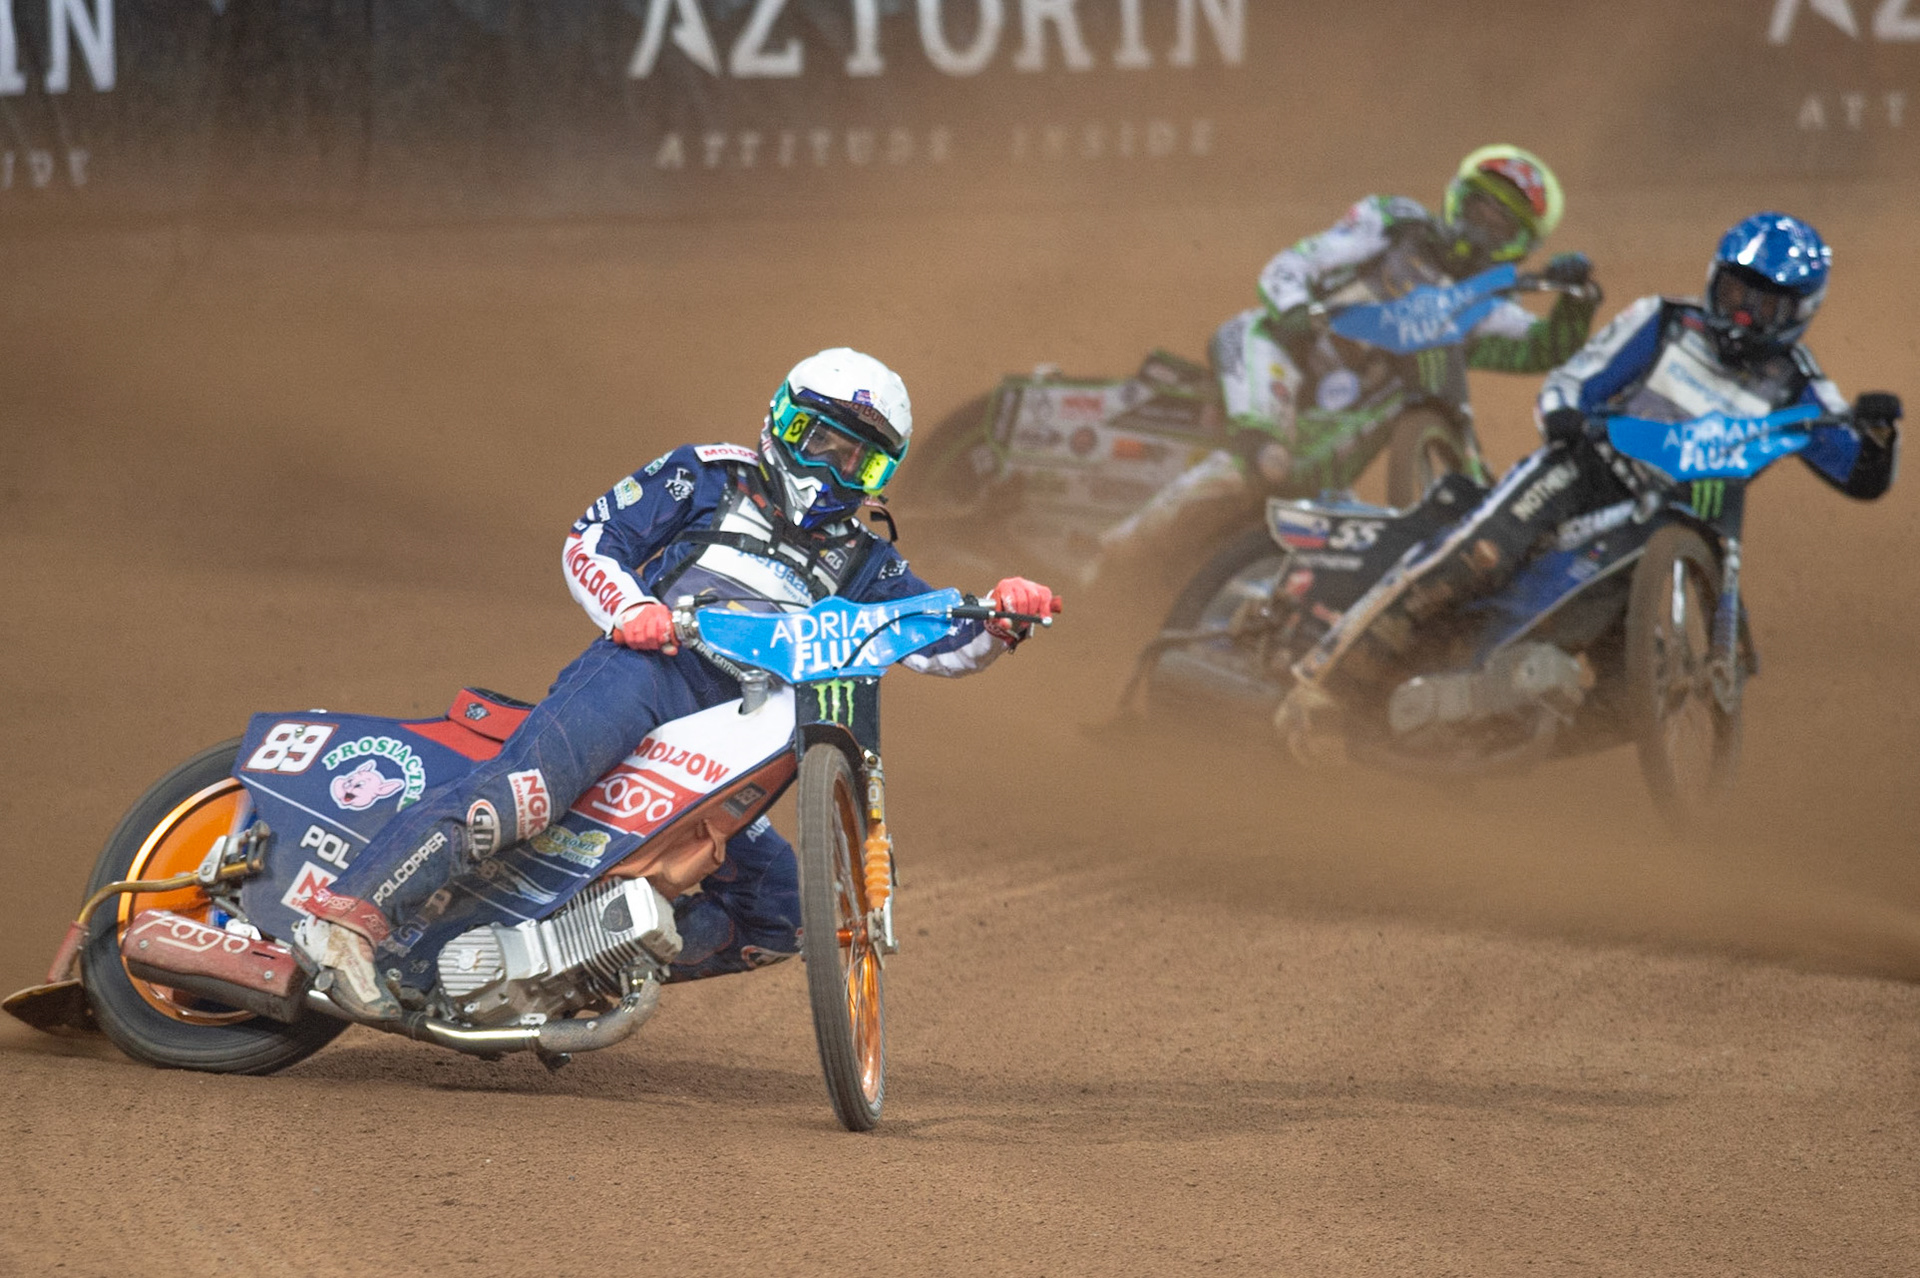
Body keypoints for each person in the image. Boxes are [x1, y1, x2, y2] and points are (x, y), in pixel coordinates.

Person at [299, 349, 1062, 1019]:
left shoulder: (867, 562)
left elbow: (935, 640)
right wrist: (631, 608)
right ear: (780, 424)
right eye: (818, 441)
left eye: (857, 461)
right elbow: (594, 537)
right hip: (647, 676)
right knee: (524, 795)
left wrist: (999, 619)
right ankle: (348, 920)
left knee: (783, 920)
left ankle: (574, 970)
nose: (831, 469)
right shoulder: (707, 475)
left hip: (740, 735)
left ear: (880, 475)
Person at [1279, 212, 1901, 746]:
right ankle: (1321, 686)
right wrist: (1567, 417)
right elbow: (1574, 380)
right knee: (1481, 553)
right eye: (1736, 291)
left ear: (1798, 314)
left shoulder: (1801, 386)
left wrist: (1879, 436)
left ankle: (1482, 726)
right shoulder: (1662, 322)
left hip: (1674, 523)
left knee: (1635, 700)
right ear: (1714, 278)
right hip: (1587, 471)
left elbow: (1861, 476)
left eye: (1764, 305)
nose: (1742, 314)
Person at [1093, 145, 1602, 571]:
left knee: (1303, 510)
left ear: (1520, 246)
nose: (1479, 231)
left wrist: (1577, 303)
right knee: (1264, 461)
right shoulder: (1395, 224)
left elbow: (1546, 348)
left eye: (1499, 227)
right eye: (1477, 211)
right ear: (1454, 201)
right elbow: (1296, 262)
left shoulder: (1484, 307)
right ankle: (1111, 557)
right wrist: (1292, 309)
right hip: (1276, 350)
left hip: (1333, 419)